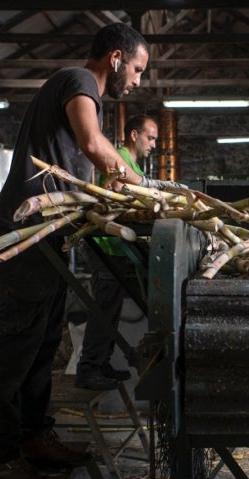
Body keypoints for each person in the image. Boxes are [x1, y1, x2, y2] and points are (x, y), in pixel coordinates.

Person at [0, 23, 178, 479]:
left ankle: (34, 436)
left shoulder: (85, 92)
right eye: (139, 69)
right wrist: (144, 186)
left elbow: (85, 170)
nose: (139, 79)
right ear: (115, 58)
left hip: (48, 236)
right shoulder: (79, 81)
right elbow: (93, 146)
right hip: (23, 234)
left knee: (43, 344)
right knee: (14, 346)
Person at [75, 114, 159, 391]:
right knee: (104, 309)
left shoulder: (131, 163)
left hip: (117, 248)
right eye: (150, 137)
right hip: (105, 246)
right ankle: (88, 369)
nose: (154, 144)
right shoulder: (119, 157)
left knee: (111, 309)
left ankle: (102, 363)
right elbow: (116, 195)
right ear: (134, 135)